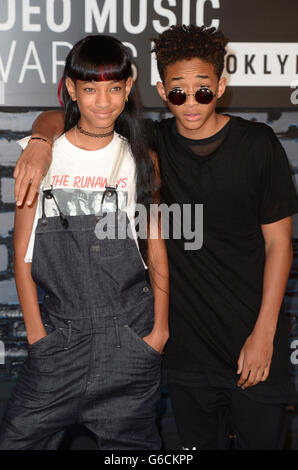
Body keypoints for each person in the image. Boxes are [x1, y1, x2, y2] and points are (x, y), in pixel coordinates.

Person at [12, 25, 298, 450]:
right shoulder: (151, 145)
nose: (191, 103)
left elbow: (280, 245)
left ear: (221, 86)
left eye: (203, 91)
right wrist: (39, 140)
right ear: (163, 92)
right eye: (179, 93)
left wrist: (264, 333)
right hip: (186, 351)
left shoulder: (255, 144)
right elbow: (77, 118)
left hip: (251, 340)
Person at [0, 34, 169, 450]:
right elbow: (23, 256)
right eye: (90, 88)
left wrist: (158, 332)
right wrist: (39, 338)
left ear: (129, 88)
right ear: (71, 89)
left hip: (130, 338)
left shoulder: (140, 158)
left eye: (114, 88)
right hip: (59, 343)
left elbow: (157, 247)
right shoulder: (41, 155)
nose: (103, 101)